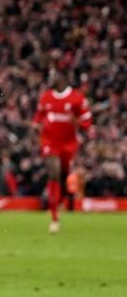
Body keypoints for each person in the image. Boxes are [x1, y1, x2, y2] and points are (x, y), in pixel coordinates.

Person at [32, 73, 94, 233]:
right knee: (53, 173)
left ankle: (59, 200)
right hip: (49, 142)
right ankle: (54, 217)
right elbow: (38, 117)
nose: (51, 79)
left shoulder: (77, 98)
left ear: (63, 79)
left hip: (68, 145)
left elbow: (87, 122)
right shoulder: (46, 97)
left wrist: (77, 122)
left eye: (54, 77)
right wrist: (36, 125)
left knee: (63, 176)